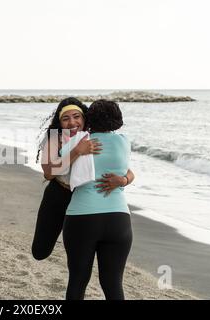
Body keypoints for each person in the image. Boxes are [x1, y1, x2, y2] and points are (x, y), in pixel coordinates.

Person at [31, 97, 134, 261]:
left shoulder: (92, 137)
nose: (72, 122)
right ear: (60, 122)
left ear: (85, 118)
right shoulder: (54, 138)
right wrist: (77, 151)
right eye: (66, 118)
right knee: (40, 252)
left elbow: (126, 170)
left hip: (83, 198)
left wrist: (123, 180)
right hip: (58, 195)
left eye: (76, 117)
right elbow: (49, 173)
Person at [61, 99, 133, 300]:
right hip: (118, 219)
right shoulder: (124, 142)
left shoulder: (78, 142)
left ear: (89, 118)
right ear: (117, 119)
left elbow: (59, 167)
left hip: (82, 218)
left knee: (78, 279)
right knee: (112, 283)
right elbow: (127, 171)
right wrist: (124, 179)